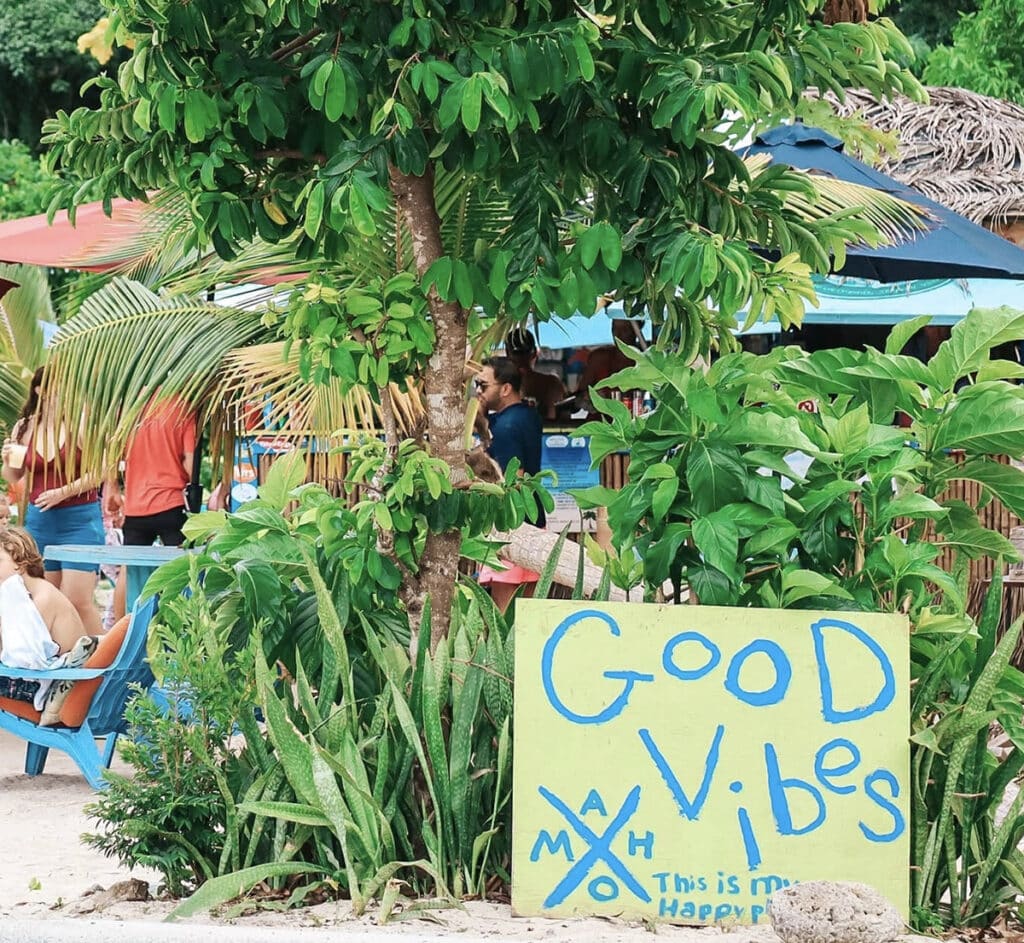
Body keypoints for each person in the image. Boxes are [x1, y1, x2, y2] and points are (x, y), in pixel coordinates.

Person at [1, 368, 104, 635]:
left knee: (78, 601)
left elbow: (101, 471)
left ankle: (101, 664)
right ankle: (57, 662)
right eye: (58, 385)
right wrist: (7, 459)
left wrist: (64, 492)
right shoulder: (25, 427)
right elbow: (14, 476)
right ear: (40, 390)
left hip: (79, 519)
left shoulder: (79, 422)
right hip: (40, 522)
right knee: (42, 597)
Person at [104, 394, 197, 620]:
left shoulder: (129, 407)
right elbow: (189, 461)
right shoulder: (182, 406)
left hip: (135, 509)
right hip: (171, 505)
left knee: (130, 572)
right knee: (184, 571)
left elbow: (111, 456)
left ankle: (123, 632)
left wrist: (114, 489)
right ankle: (184, 627)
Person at [0, 526, 96, 723]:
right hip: (57, 680)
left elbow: (24, 658)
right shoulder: (29, 595)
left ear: (19, 562)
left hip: (53, 688)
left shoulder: (41, 599)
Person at [474, 356, 544, 612]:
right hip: (534, 516)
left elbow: (513, 478)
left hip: (510, 523)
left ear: (505, 388)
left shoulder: (504, 428)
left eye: (483, 386)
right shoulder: (528, 416)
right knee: (530, 609)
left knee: (505, 611)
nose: (478, 393)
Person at [504, 328, 567, 422]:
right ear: (535, 353)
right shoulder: (551, 383)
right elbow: (565, 419)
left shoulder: (500, 385)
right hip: (547, 434)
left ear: (508, 354)